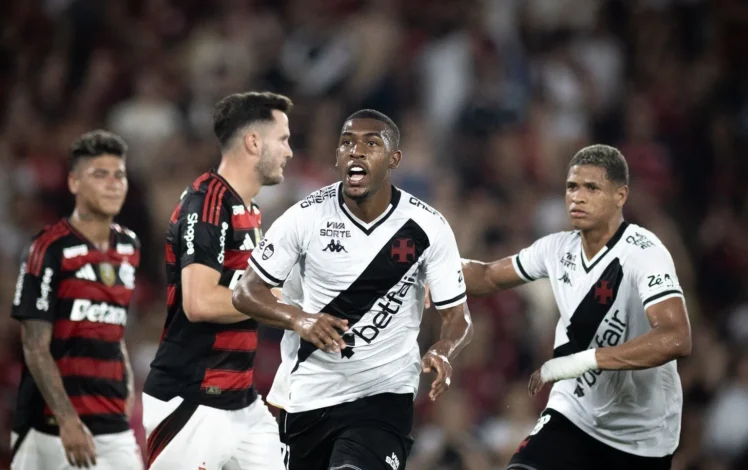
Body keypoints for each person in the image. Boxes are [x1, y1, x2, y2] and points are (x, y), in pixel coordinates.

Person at [233, 109, 474, 470]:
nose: (356, 151)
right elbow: (245, 293)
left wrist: (443, 347)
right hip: (308, 399)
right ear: (337, 156)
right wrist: (299, 320)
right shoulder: (305, 217)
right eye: (347, 142)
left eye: (371, 144)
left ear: (394, 160)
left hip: (384, 397)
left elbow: (458, 316)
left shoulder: (427, 227)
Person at [461, 144, 691, 470]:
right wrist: (425, 268)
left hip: (641, 435)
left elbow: (677, 337)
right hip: (573, 412)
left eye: (591, 188)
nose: (577, 197)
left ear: (620, 196)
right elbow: (486, 275)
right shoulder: (556, 249)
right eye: (572, 187)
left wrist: (588, 359)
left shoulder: (645, 253)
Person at [142, 91, 293, 470]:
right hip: (192, 400)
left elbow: (256, 297)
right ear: (254, 142)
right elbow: (199, 303)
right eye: (283, 139)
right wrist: (280, 307)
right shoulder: (207, 202)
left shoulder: (251, 212)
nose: (289, 152)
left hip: (239, 399)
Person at [10, 130, 143, 470]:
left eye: (120, 175)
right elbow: (35, 345)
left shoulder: (129, 247)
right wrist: (66, 420)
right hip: (51, 426)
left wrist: (126, 383)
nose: (114, 184)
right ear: (73, 182)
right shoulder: (48, 248)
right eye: (100, 175)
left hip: (112, 421)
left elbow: (113, 328)